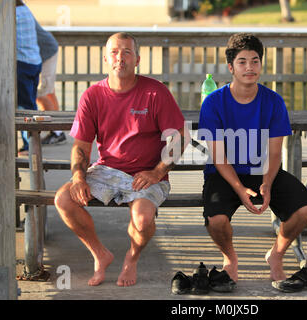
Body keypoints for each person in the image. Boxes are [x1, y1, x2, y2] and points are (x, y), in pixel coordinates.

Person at [54, 32, 190, 287]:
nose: (120, 57)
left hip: (148, 173)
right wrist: (78, 177)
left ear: (137, 59)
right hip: (107, 170)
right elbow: (81, 146)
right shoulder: (92, 96)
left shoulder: (155, 92)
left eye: (127, 52)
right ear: (106, 58)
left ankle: (132, 257)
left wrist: (157, 172)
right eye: (115, 52)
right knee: (63, 199)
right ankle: (100, 254)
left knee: (142, 219)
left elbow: (181, 137)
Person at [198, 33, 307, 293]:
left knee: (306, 209)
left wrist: (266, 183)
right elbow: (219, 157)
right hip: (224, 173)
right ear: (231, 67)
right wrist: (240, 190)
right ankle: (230, 258)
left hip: (261, 169)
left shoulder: (273, 101)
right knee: (217, 220)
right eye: (242, 62)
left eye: (255, 61)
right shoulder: (213, 103)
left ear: (261, 65)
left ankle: (276, 254)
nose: (249, 67)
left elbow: (275, 154)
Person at [34, 19, 66, 145]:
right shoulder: (19, 8)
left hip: (45, 52)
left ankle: (57, 132)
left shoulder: (15, 10)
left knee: (41, 93)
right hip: (47, 50)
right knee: (48, 91)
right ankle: (59, 129)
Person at [16, 0, 42, 156]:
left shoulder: (13, 15)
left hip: (22, 64)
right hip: (34, 61)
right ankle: (31, 144)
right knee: (30, 105)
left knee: (25, 108)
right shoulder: (25, 9)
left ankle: (29, 146)